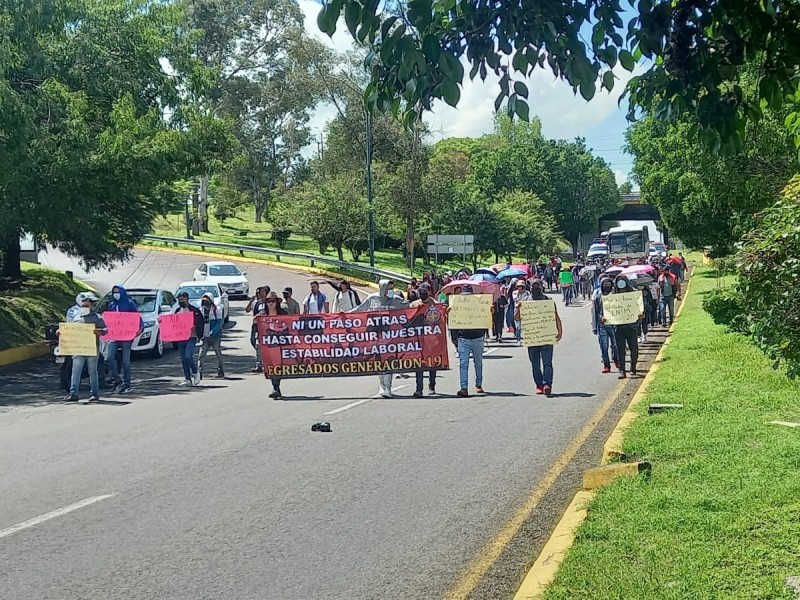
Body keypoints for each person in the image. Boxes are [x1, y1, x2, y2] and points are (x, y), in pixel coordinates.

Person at [350, 279, 408, 397]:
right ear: (382, 288)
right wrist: (345, 314)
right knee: (378, 362)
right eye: (388, 289)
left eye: (392, 289)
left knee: (389, 361)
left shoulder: (396, 300)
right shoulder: (372, 298)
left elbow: (411, 306)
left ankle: (388, 387)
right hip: (374, 336)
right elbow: (360, 309)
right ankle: (382, 386)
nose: (391, 291)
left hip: (390, 336)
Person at [62, 292, 107, 403]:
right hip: (78, 348)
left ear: (92, 306)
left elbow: (106, 330)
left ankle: (94, 394)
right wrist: (61, 332)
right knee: (75, 371)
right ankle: (73, 394)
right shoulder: (76, 316)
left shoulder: (97, 318)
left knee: (92, 371)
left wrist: (100, 331)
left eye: (87, 306)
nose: (85, 308)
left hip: (92, 349)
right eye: (83, 306)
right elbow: (70, 329)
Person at [524, 280, 563, 396]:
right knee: (535, 364)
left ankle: (547, 384)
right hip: (533, 337)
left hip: (547, 337)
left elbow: (556, 316)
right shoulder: (526, 301)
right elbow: (517, 317)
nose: (536, 288)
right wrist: (518, 307)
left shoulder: (548, 301)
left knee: (547, 363)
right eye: (533, 286)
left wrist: (560, 331)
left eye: (538, 286)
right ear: (530, 287)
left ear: (542, 287)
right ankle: (539, 385)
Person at [105, 284, 143, 394]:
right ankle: (117, 380)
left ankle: (127, 383)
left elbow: (137, 317)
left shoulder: (129, 303)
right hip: (114, 336)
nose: (116, 294)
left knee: (126, 360)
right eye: (114, 292)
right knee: (110, 357)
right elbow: (108, 320)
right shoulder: (111, 305)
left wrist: (140, 328)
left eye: (118, 292)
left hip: (126, 337)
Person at [453, 286, 487, 397]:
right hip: (463, 338)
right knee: (463, 364)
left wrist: (489, 311)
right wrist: (455, 339)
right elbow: (452, 323)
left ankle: (479, 384)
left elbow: (486, 318)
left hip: (478, 337)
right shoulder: (455, 306)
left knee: (478, 363)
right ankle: (464, 388)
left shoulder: (479, 305)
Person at [610, 275, 642, 379]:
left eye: (622, 281)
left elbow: (640, 308)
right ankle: (622, 370)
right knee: (620, 350)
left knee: (634, 348)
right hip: (619, 327)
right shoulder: (612, 296)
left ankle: (633, 366)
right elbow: (608, 311)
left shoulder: (633, 294)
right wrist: (605, 318)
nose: (621, 283)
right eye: (618, 281)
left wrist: (641, 315)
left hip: (631, 326)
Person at [410, 283, 437, 396]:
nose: (422, 294)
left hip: (431, 338)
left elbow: (438, 320)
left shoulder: (435, 304)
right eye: (420, 291)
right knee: (418, 364)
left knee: (432, 362)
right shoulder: (414, 304)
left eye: (424, 292)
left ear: (429, 292)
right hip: (417, 337)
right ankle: (419, 388)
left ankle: (432, 384)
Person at [173, 291, 204, 387]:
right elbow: (172, 324)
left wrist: (199, 334)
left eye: (182, 299)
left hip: (191, 337)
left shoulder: (194, 311)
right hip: (180, 338)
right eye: (179, 299)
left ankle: (195, 372)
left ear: (187, 299)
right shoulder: (177, 311)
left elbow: (201, 322)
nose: (181, 301)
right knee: (183, 359)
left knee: (188, 356)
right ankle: (187, 378)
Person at [591, 276, 619, 373]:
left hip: (614, 324)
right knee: (604, 346)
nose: (607, 286)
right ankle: (606, 365)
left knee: (615, 345)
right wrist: (594, 327)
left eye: (609, 284)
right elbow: (594, 312)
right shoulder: (598, 297)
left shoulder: (616, 297)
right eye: (605, 284)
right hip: (602, 325)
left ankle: (616, 360)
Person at [264, 291, 288, 399]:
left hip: (280, 344)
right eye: (268, 301)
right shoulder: (262, 314)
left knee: (277, 366)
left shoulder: (283, 313)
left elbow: (290, 325)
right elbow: (257, 328)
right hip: (267, 345)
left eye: (273, 301)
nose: (271, 303)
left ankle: (276, 387)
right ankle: (275, 388)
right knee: (270, 366)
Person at [199, 292, 224, 378]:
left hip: (215, 336)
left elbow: (219, 323)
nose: (205, 302)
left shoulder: (217, 310)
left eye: (207, 300)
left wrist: (213, 332)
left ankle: (221, 370)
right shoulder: (200, 310)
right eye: (203, 300)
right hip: (205, 337)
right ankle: (199, 371)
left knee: (218, 353)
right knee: (202, 354)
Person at [247, 287, 269, 372]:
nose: (262, 293)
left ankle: (259, 364)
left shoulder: (269, 302)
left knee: (259, 344)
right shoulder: (257, 303)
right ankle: (261, 357)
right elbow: (251, 311)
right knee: (253, 341)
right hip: (256, 326)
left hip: (266, 327)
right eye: (261, 292)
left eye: (264, 292)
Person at [511, 279, 531, 346]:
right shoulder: (515, 292)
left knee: (526, 325)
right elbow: (515, 299)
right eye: (519, 286)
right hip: (517, 310)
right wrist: (519, 293)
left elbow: (528, 300)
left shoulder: (527, 293)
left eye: (521, 286)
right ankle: (518, 339)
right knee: (518, 326)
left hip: (525, 310)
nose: (520, 287)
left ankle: (527, 338)